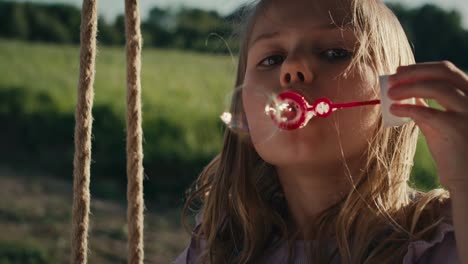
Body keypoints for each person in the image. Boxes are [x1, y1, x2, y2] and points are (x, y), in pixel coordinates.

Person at [174, 0, 468, 263]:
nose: (292, 67)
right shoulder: (219, 246)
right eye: (272, 59)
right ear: (244, 107)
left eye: (334, 53)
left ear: (394, 97)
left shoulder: (443, 240)